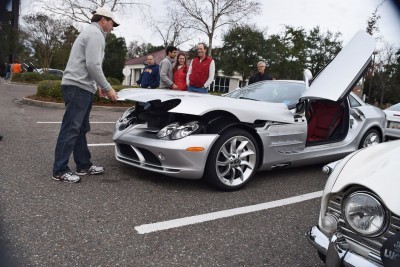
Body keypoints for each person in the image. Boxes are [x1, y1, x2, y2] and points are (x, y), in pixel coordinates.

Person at [52, 6, 119, 183]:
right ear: (103, 20)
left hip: (81, 86)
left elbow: (89, 65)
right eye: (112, 23)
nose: (113, 27)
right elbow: (93, 65)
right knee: (71, 128)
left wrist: (97, 85)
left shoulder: (92, 33)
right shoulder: (95, 34)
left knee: (80, 129)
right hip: (78, 87)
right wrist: (108, 87)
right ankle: (59, 170)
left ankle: (83, 165)